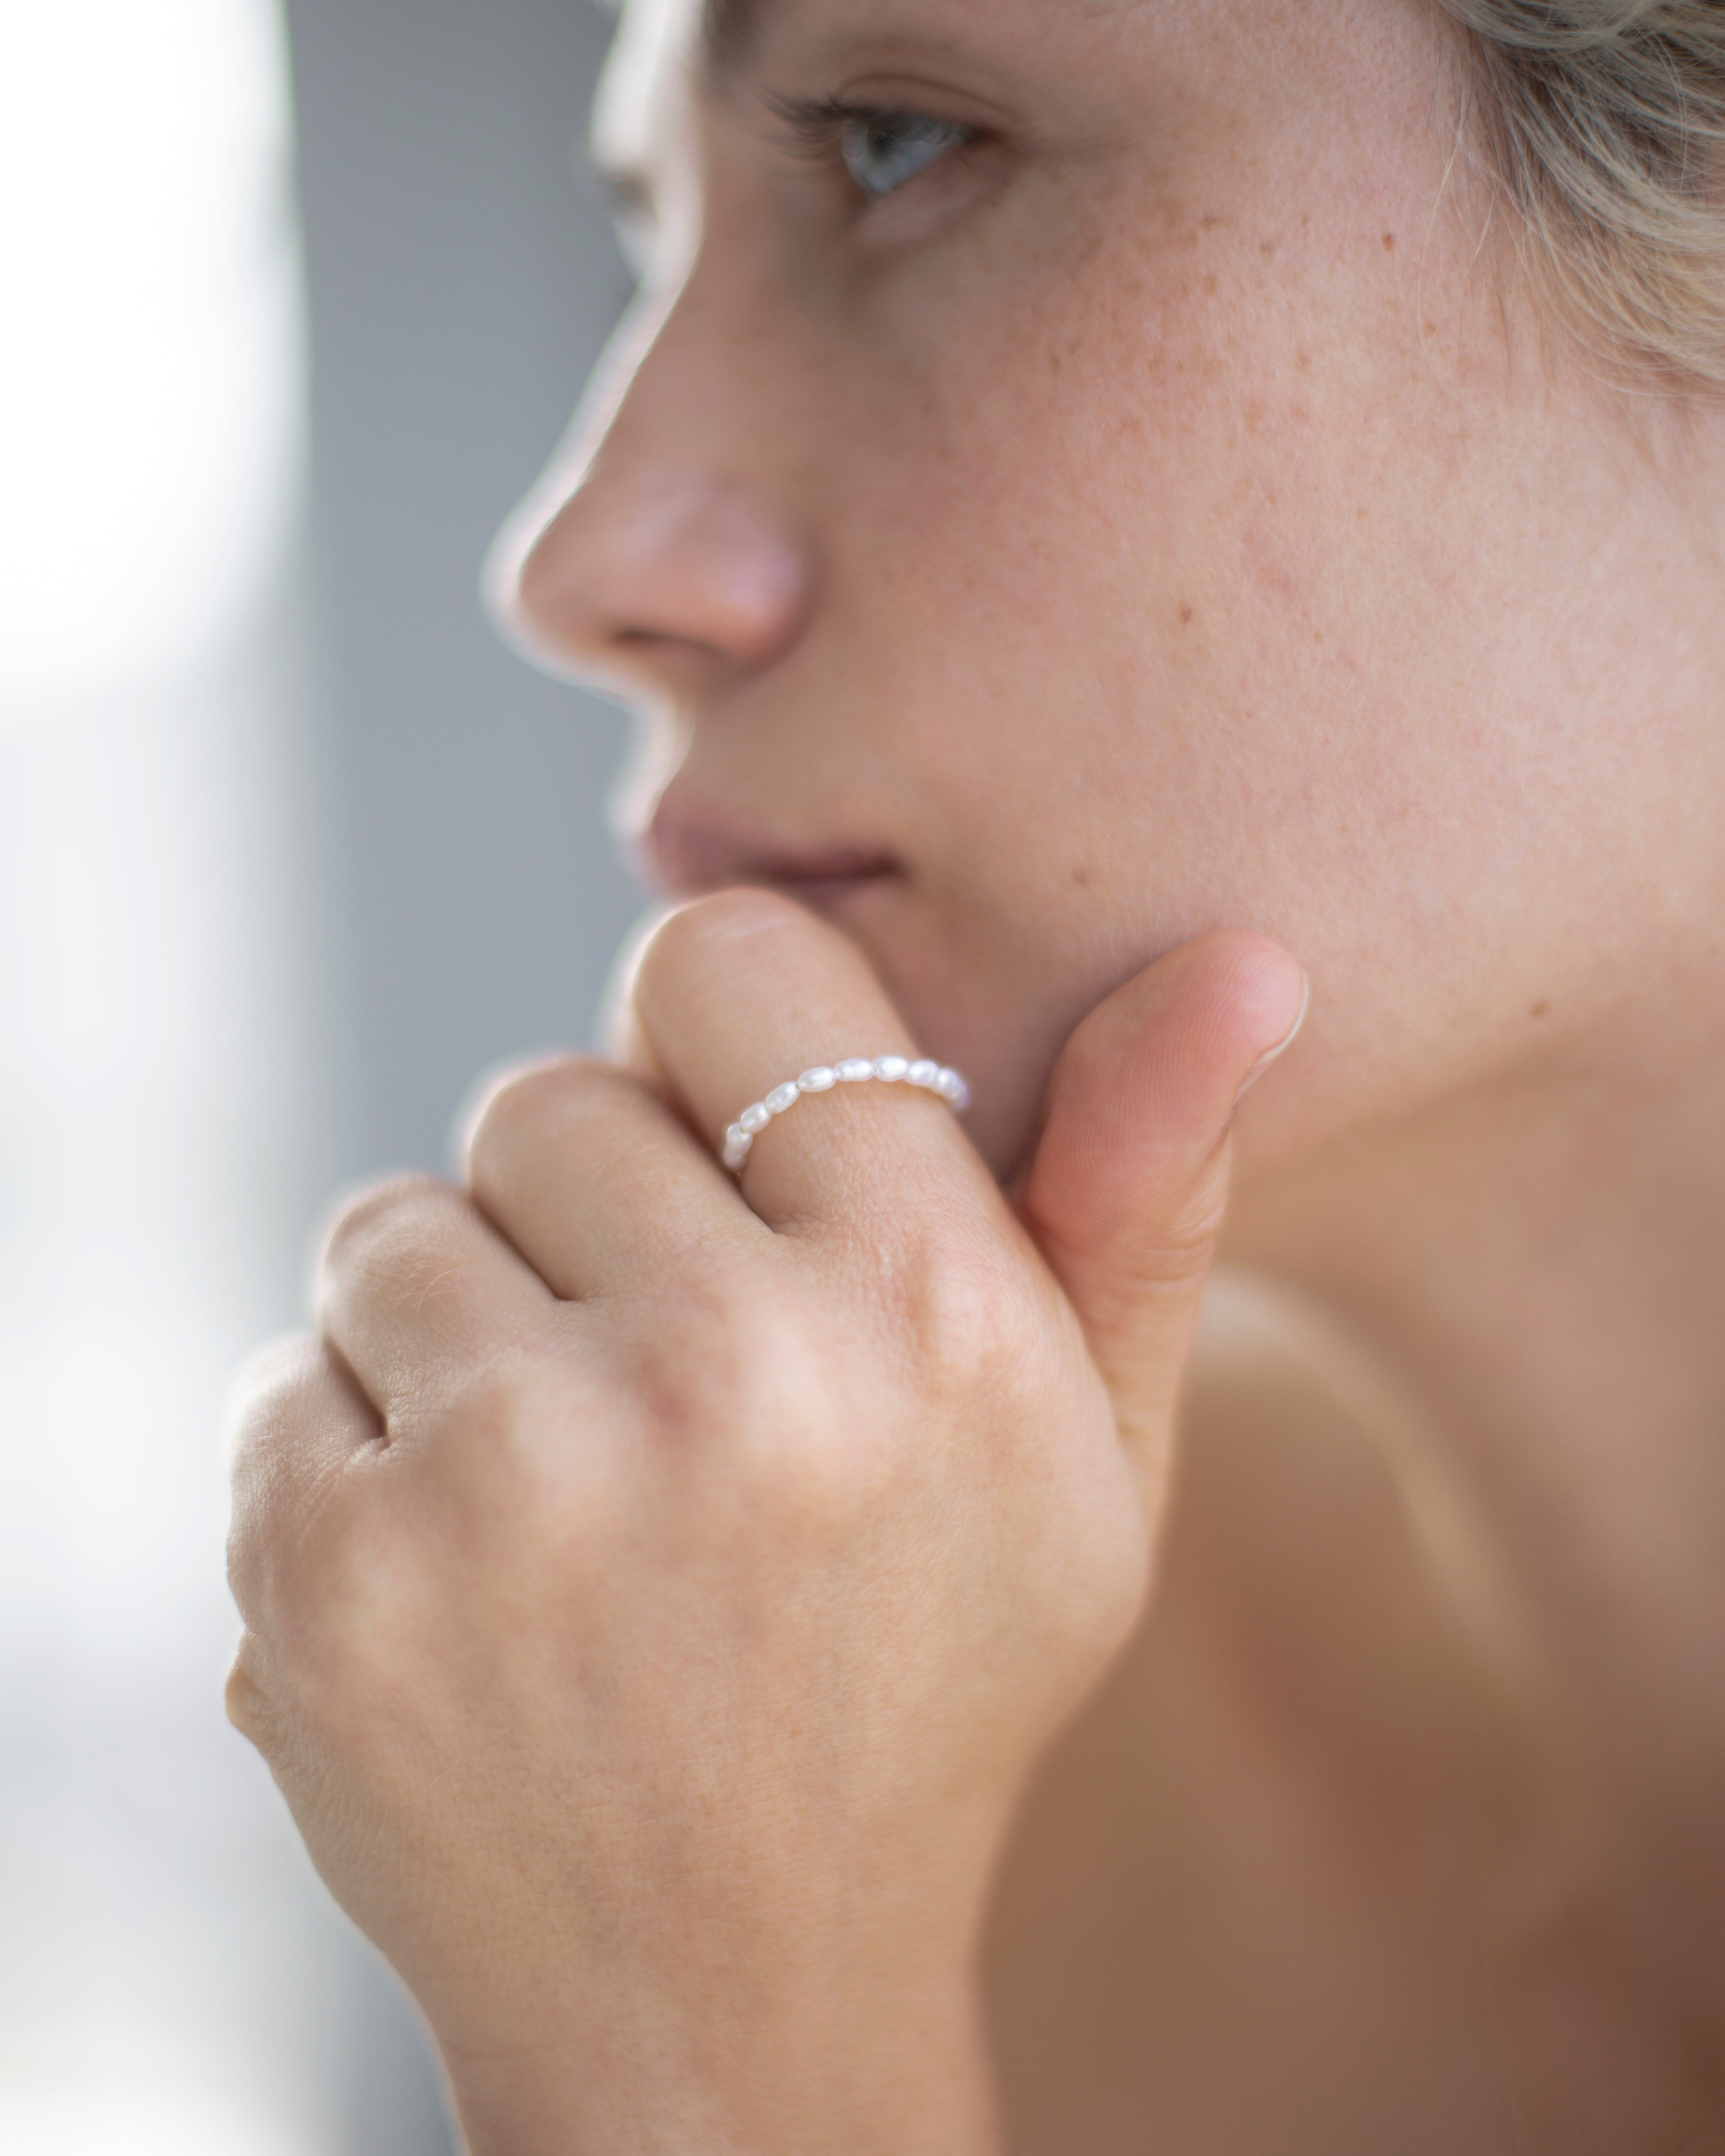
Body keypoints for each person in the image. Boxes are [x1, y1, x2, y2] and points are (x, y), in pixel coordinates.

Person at [222, 0, 1725, 2147]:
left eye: (900, 147)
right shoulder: (839, 1658)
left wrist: (717, 2076)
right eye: (658, 245)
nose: (578, 564)